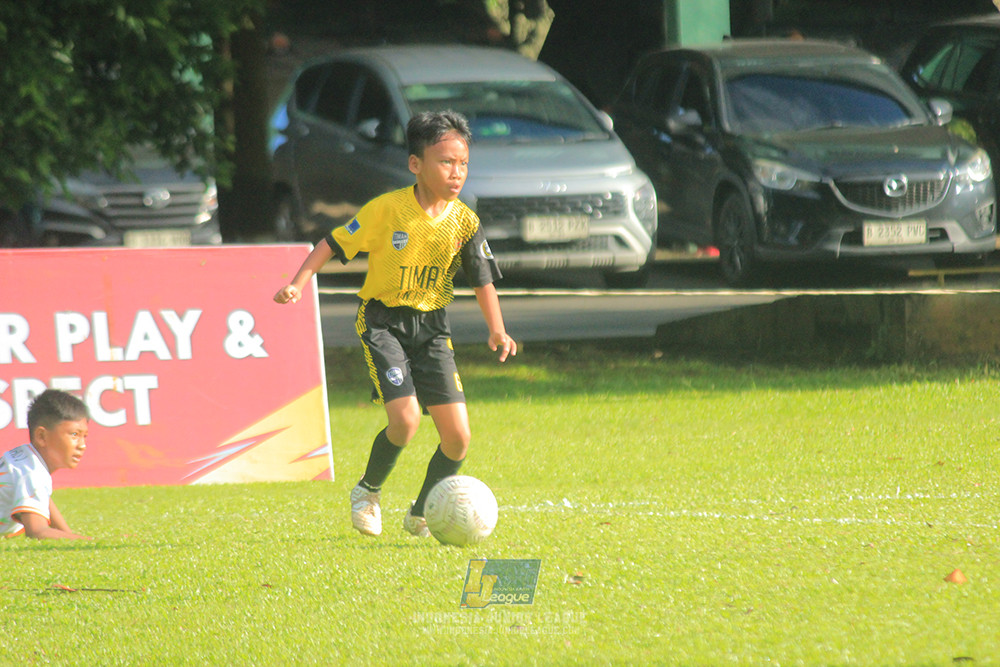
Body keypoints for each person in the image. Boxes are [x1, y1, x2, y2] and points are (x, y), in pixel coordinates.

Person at [274, 110, 517, 537]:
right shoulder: (388, 210)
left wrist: (497, 329)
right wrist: (297, 283)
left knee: (458, 437)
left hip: (432, 330)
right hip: (382, 323)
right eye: (445, 162)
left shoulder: (465, 222)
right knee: (405, 421)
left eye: (462, 163)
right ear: (415, 164)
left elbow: (482, 280)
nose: (456, 172)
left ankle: (423, 511)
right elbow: (330, 244)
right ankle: (367, 492)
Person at [1, 389, 91, 540]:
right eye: (74, 434)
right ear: (41, 436)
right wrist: (89, 542)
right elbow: (37, 531)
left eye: (85, 436)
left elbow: (41, 496)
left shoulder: (24, 458)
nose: (82, 445)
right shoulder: (32, 472)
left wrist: (69, 535)